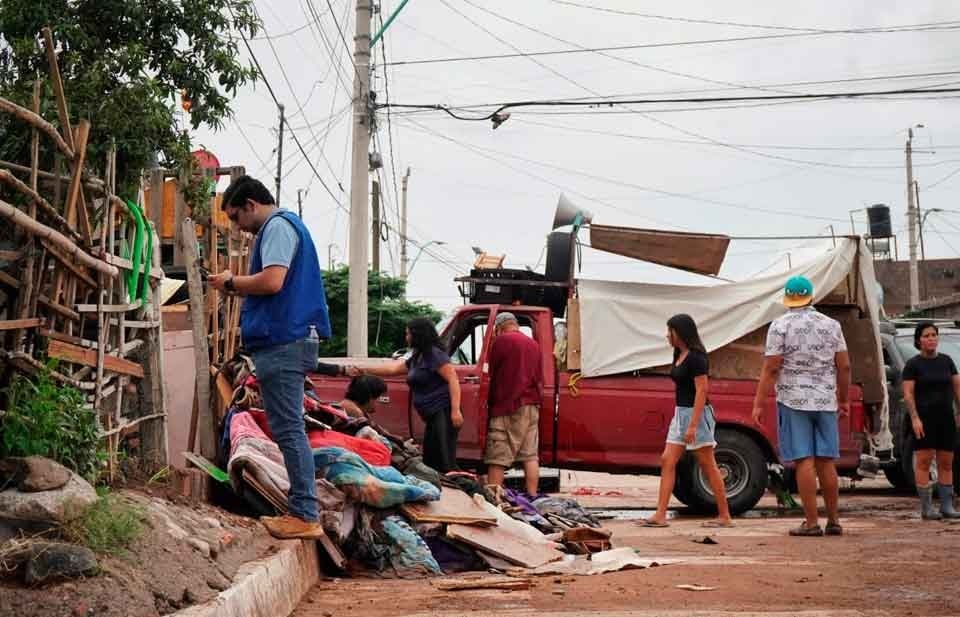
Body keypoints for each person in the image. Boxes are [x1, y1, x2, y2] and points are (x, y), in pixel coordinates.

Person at [208, 175, 330, 540]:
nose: (237, 227)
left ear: (250, 205)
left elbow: (273, 281)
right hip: (290, 338)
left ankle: (304, 513)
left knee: (289, 428)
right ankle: (303, 509)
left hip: (283, 340)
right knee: (289, 427)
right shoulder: (290, 226)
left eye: (235, 217)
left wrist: (231, 283)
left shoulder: (277, 227)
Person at [752, 276, 850, 537]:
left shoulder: (780, 326)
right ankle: (834, 520)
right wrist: (843, 398)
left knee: (804, 460)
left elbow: (772, 367)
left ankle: (811, 522)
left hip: (793, 400)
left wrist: (759, 403)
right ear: (811, 296)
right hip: (825, 401)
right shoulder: (832, 325)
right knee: (826, 461)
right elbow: (844, 366)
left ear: (788, 298)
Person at [643, 314, 732, 528]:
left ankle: (725, 515)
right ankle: (660, 514)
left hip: (697, 414)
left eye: (670, 331)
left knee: (707, 464)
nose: (667, 336)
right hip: (681, 412)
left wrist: (693, 424)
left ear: (680, 333)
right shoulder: (678, 354)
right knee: (667, 460)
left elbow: (702, 391)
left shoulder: (697, 357)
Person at [348, 317, 463, 472]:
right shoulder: (417, 357)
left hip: (443, 411)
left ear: (418, 334)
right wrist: (364, 370)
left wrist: (455, 411)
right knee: (430, 458)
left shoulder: (434, 355)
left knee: (444, 459)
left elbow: (453, 379)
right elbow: (392, 370)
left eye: (408, 334)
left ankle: (455, 488)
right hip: (431, 415)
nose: (406, 337)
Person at [901, 322, 960, 520]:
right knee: (924, 462)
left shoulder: (947, 361)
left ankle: (947, 506)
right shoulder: (913, 365)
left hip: (946, 419)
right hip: (923, 420)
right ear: (919, 340)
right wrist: (915, 419)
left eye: (934, 335)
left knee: (946, 463)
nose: (931, 339)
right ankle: (926, 508)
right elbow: (908, 395)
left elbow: (957, 389)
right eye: (926, 336)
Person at [484, 312, 544, 496]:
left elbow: (491, 371)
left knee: (498, 453)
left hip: (508, 405)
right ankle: (533, 496)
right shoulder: (534, 344)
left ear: (499, 327)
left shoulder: (502, 341)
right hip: (531, 405)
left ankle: (494, 499)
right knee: (530, 454)